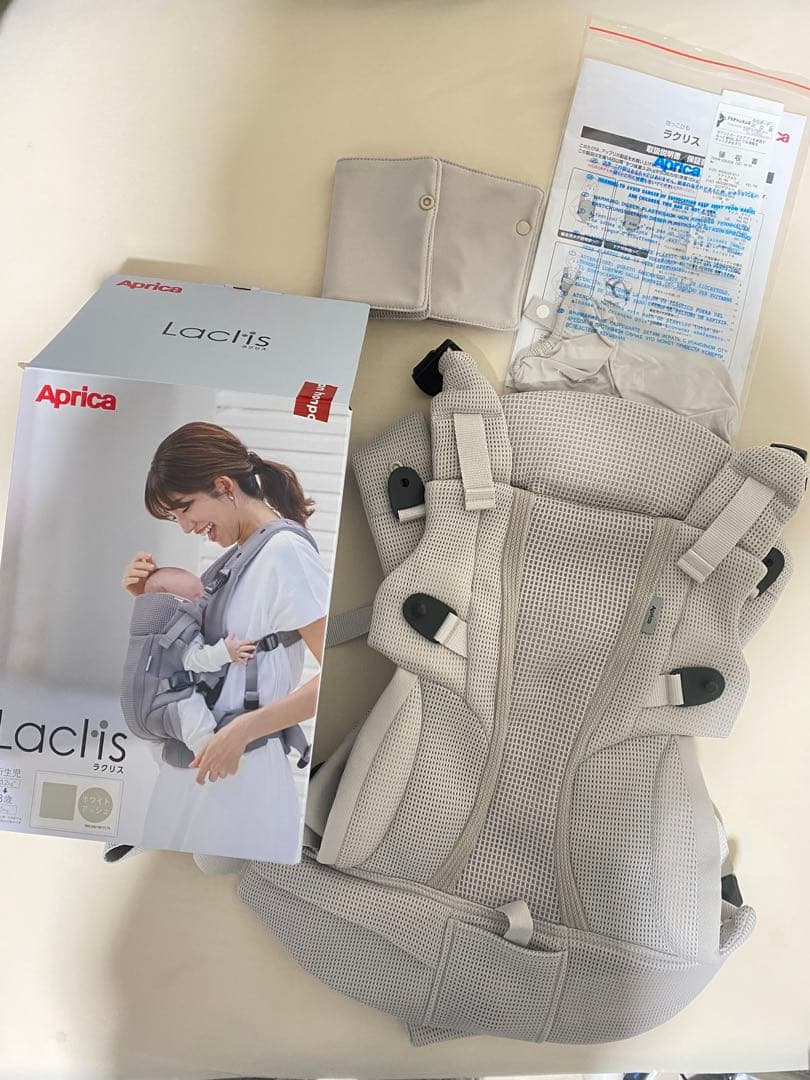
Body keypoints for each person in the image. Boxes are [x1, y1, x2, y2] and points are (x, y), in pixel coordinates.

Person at [121, 422, 329, 860]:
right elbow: (197, 657)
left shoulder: (284, 553)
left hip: (243, 772)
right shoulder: (239, 557)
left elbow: (332, 680)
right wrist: (151, 602)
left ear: (223, 486)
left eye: (185, 509)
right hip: (206, 769)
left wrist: (243, 731)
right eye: (174, 518)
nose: (185, 527)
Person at [140, 564, 256, 759]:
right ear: (172, 606)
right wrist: (226, 652)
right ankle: (211, 757)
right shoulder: (182, 630)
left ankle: (164, 764)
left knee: (160, 750)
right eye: (196, 598)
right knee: (195, 715)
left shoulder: (153, 627)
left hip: (146, 704)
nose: (205, 602)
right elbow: (193, 660)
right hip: (172, 700)